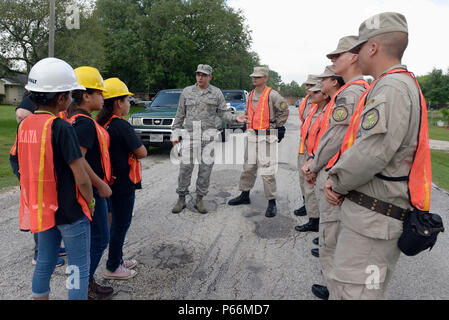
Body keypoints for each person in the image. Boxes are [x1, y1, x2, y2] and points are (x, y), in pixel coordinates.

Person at [324, 12, 431, 299]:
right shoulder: (395, 84)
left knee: (355, 293)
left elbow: (372, 152)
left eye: (359, 48)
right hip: (373, 216)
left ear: (372, 48)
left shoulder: (391, 87)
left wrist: (335, 182)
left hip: (373, 219)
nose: (357, 55)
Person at [11, 57, 94, 299]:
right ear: (60, 98)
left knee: (45, 260)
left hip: (42, 209)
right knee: (78, 266)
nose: (72, 98)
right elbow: (82, 177)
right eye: (70, 93)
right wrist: (90, 202)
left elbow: (17, 161)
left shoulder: (24, 126)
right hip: (70, 211)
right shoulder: (61, 127)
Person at [301, 36, 369, 300]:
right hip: (348, 174)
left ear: (353, 57)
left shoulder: (350, 93)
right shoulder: (360, 90)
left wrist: (314, 164)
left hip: (338, 174)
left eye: (336, 56)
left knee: (331, 239)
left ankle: (334, 290)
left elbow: (336, 136)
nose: (332, 61)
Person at [171, 64, 247, 214]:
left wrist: (235, 119)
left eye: (204, 75)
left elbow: (223, 114)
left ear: (210, 77)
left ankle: (199, 198)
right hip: (190, 136)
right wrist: (175, 132)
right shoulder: (187, 92)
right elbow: (179, 115)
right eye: (198, 74)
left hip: (208, 137)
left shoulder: (216, 93)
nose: (200, 77)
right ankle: (181, 198)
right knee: (185, 169)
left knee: (205, 170)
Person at [68, 66, 114, 300]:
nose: (103, 97)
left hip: (84, 190)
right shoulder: (85, 123)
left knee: (91, 240)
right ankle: (85, 284)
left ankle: (86, 282)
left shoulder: (74, 119)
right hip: (91, 191)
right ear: (86, 95)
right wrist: (100, 185)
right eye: (99, 93)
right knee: (100, 239)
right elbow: (79, 159)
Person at [96, 77, 147, 280]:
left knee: (115, 222)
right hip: (124, 182)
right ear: (118, 102)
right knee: (121, 223)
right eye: (127, 100)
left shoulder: (102, 122)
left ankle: (117, 259)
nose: (129, 104)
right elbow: (141, 152)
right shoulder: (121, 126)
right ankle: (113, 267)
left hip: (109, 180)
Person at [12, 92, 67, 267]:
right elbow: (21, 113)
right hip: (30, 168)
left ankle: (52, 246)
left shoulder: (51, 114)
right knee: (39, 208)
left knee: (49, 208)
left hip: (37, 165)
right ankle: (39, 253)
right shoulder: (35, 109)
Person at [228, 66, 289, 217]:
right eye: (253, 76)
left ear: (265, 78)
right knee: (248, 167)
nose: (254, 79)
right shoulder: (250, 95)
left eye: (258, 77)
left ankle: (271, 201)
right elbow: (249, 113)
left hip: (267, 136)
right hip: (252, 135)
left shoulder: (273, 95)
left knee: (267, 170)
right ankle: (244, 195)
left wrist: (277, 126)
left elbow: (284, 110)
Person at [295, 66, 340, 233]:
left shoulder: (330, 112)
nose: (310, 94)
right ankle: (314, 221)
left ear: (324, 95)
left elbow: (327, 139)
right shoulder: (313, 108)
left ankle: (322, 227)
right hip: (309, 154)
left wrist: (314, 161)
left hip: (320, 158)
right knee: (309, 188)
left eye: (314, 92)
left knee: (319, 192)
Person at [294, 74, 318, 217]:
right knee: (301, 176)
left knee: (311, 178)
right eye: (307, 85)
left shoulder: (322, 101)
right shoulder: (304, 102)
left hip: (315, 146)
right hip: (303, 143)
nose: (308, 88)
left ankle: (314, 212)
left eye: (311, 85)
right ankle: (306, 204)